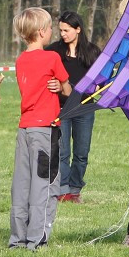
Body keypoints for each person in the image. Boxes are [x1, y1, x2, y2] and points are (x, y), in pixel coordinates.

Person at [9, 8, 70, 250]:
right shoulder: (52, 58)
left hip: (25, 128)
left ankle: (18, 239)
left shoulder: (21, 59)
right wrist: (59, 86)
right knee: (45, 184)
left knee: (22, 184)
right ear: (42, 32)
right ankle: (37, 240)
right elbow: (68, 90)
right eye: (50, 28)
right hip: (46, 129)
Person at [46, 11, 101, 203]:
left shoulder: (93, 52)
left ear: (78, 29)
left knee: (81, 153)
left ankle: (75, 190)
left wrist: (97, 87)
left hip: (85, 110)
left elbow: (101, 81)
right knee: (62, 152)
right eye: (60, 30)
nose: (62, 34)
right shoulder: (53, 52)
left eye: (66, 30)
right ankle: (63, 190)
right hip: (61, 108)